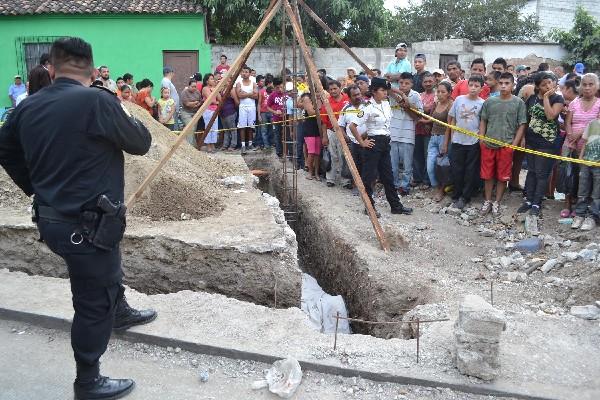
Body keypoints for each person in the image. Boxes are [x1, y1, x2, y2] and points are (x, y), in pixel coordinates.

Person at [0, 36, 156, 400]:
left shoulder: (27, 106)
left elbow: (5, 149)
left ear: (51, 69)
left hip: (54, 220)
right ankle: (88, 381)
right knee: (91, 302)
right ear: (90, 68)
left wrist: (36, 187)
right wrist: (124, 109)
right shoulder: (97, 102)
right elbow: (141, 143)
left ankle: (118, 310)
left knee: (104, 267)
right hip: (86, 224)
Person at [349, 77, 413, 216]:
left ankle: (396, 206)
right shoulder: (367, 107)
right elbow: (352, 126)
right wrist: (362, 142)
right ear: (374, 92)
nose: (385, 93)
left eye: (386, 90)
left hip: (385, 142)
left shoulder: (386, 103)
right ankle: (369, 207)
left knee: (388, 176)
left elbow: (391, 90)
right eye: (382, 90)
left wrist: (401, 94)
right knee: (369, 177)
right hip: (373, 143)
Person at [479, 72, 527, 216]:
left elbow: (522, 124)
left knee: (502, 176)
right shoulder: (489, 101)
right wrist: (481, 139)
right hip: (488, 143)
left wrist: (514, 144)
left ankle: (497, 202)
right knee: (487, 175)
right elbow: (483, 120)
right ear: (498, 84)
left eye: (507, 83)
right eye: (501, 83)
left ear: (513, 85)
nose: (504, 86)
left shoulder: (518, 103)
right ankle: (487, 200)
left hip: (506, 145)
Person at [517, 72, 564, 216]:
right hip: (531, 140)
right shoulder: (531, 98)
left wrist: (545, 98)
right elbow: (526, 119)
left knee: (542, 173)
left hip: (547, 142)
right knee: (531, 171)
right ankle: (529, 200)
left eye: (550, 83)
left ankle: (537, 202)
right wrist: (523, 138)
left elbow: (551, 116)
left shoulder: (558, 98)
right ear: (537, 86)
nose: (548, 86)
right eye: (544, 85)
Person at [446, 76, 484, 209]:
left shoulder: (482, 103)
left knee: (470, 171)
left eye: (476, 86)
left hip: (473, 142)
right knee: (457, 169)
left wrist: (480, 138)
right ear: (467, 86)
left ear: (481, 88)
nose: (473, 88)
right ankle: (456, 194)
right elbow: (452, 119)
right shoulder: (459, 99)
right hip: (457, 141)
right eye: (471, 85)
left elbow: (482, 123)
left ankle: (465, 196)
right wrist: (452, 137)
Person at [564, 73, 600, 215]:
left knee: (587, 178)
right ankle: (568, 204)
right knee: (568, 174)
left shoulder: (599, 103)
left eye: (591, 84)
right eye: (584, 84)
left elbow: (596, 125)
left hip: (590, 149)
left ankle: (586, 207)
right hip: (571, 144)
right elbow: (568, 122)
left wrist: (579, 134)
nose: (587, 88)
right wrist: (570, 135)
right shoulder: (574, 103)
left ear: (596, 86)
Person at [388, 72, 423, 196]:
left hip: (408, 135)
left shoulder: (416, 96)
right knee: (393, 165)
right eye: (401, 83)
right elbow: (382, 83)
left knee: (407, 165)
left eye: (407, 83)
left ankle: (405, 186)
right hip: (393, 134)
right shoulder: (393, 94)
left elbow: (418, 116)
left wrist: (408, 106)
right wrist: (400, 93)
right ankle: (395, 185)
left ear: (412, 84)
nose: (403, 85)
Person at [320, 80, 350, 187]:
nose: (333, 91)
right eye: (330, 89)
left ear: (340, 88)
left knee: (344, 156)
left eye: (335, 89)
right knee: (332, 155)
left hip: (345, 132)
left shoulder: (347, 99)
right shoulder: (327, 102)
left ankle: (345, 181)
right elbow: (324, 121)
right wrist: (324, 136)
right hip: (331, 131)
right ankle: (330, 179)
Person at [572, 117, 600, 230]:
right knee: (582, 190)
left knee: (596, 193)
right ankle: (579, 214)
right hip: (586, 162)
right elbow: (585, 141)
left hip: (598, 165)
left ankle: (592, 217)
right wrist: (580, 157)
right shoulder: (592, 123)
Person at [427, 81, 453, 201]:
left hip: (444, 138)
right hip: (433, 137)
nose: (440, 94)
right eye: (438, 91)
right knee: (430, 166)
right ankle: (436, 187)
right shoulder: (436, 103)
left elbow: (449, 126)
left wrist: (446, 144)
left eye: (443, 92)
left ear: (449, 93)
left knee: (443, 167)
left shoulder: (451, 105)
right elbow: (431, 118)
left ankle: (441, 190)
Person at [340, 85, 366, 187]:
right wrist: (345, 137)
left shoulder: (368, 106)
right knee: (355, 165)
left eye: (359, 94)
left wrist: (364, 136)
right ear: (349, 97)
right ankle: (357, 186)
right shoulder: (346, 108)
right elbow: (340, 126)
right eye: (354, 95)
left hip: (367, 140)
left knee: (367, 165)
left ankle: (368, 187)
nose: (358, 96)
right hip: (353, 143)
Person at [414, 73, 436, 188]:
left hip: (430, 130)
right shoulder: (418, 95)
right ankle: (417, 178)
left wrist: (427, 121)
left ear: (434, 82)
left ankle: (427, 180)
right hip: (418, 129)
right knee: (417, 154)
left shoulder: (437, 95)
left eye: (430, 81)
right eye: (425, 81)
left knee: (428, 155)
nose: (428, 83)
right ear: (422, 83)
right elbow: (414, 111)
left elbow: (435, 111)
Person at [236, 66, 259, 154]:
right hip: (243, 107)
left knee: (251, 126)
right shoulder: (239, 83)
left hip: (252, 107)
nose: (244, 73)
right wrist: (250, 94)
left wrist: (245, 93)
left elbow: (256, 96)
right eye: (243, 72)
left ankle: (250, 144)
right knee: (242, 126)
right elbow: (239, 96)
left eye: (246, 72)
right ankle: (243, 145)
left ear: (249, 74)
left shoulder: (253, 83)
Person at [300, 92, 321, 180]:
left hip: (318, 128)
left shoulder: (320, 99)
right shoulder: (306, 98)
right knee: (311, 152)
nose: (318, 93)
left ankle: (316, 173)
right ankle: (310, 172)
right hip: (309, 128)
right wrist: (319, 107)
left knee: (317, 153)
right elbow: (311, 112)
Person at [179, 78, 202, 148]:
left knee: (193, 130)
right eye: (192, 86)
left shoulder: (197, 92)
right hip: (186, 112)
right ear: (189, 86)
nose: (194, 88)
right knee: (190, 128)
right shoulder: (184, 92)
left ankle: (193, 146)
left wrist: (196, 104)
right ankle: (189, 147)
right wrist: (195, 103)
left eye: (195, 86)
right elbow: (187, 104)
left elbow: (200, 101)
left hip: (195, 112)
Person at [267, 78, 287, 158]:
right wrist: (275, 112)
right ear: (274, 87)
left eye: (281, 87)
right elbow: (268, 106)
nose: (280, 89)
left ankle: (287, 151)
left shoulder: (287, 94)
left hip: (287, 118)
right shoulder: (273, 95)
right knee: (277, 135)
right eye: (278, 88)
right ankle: (279, 151)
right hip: (276, 118)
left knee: (287, 135)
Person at [201, 73, 221, 153]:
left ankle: (213, 144)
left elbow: (220, 99)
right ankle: (208, 145)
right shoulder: (205, 88)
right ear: (207, 81)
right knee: (208, 127)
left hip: (215, 111)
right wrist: (216, 102)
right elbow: (211, 101)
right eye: (211, 79)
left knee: (215, 128)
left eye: (213, 79)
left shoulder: (214, 88)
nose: (213, 80)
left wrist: (215, 90)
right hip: (208, 111)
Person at [220, 77, 239, 151]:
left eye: (229, 80)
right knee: (226, 130)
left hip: (230, 111)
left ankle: (233, 145)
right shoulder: (222, 89)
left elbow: (236, 102)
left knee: (232, 129)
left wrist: (233, 109)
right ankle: (225, 145)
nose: (227, 81)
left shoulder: (231, 89)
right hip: (223, 112)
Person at [257, 78, 273, 150]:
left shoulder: (273, 91)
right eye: (271, 83)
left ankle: (270, 143)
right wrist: (259, 115)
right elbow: (259, 103)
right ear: (269, 83)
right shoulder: (261, 91)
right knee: (264, 130)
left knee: (272, 129)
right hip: (263, 112)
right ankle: (266, 145)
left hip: (272, 111)